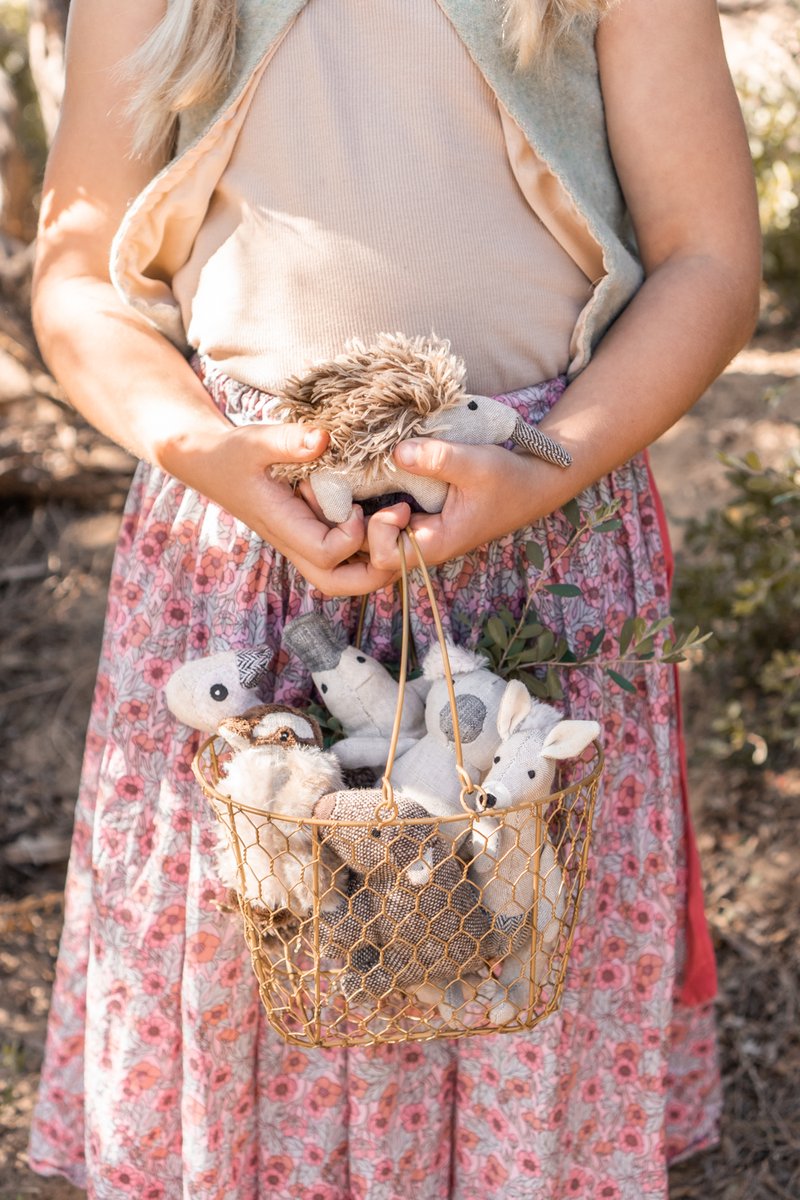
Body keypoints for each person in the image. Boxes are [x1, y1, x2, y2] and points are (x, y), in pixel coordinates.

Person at [28, 0, 760, 1196]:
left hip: (537, 536)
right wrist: (201, 450)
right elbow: (79, 278)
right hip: (247, 551)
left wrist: (546, 465)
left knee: (506, 926)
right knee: (259, 930)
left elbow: (710, 259)